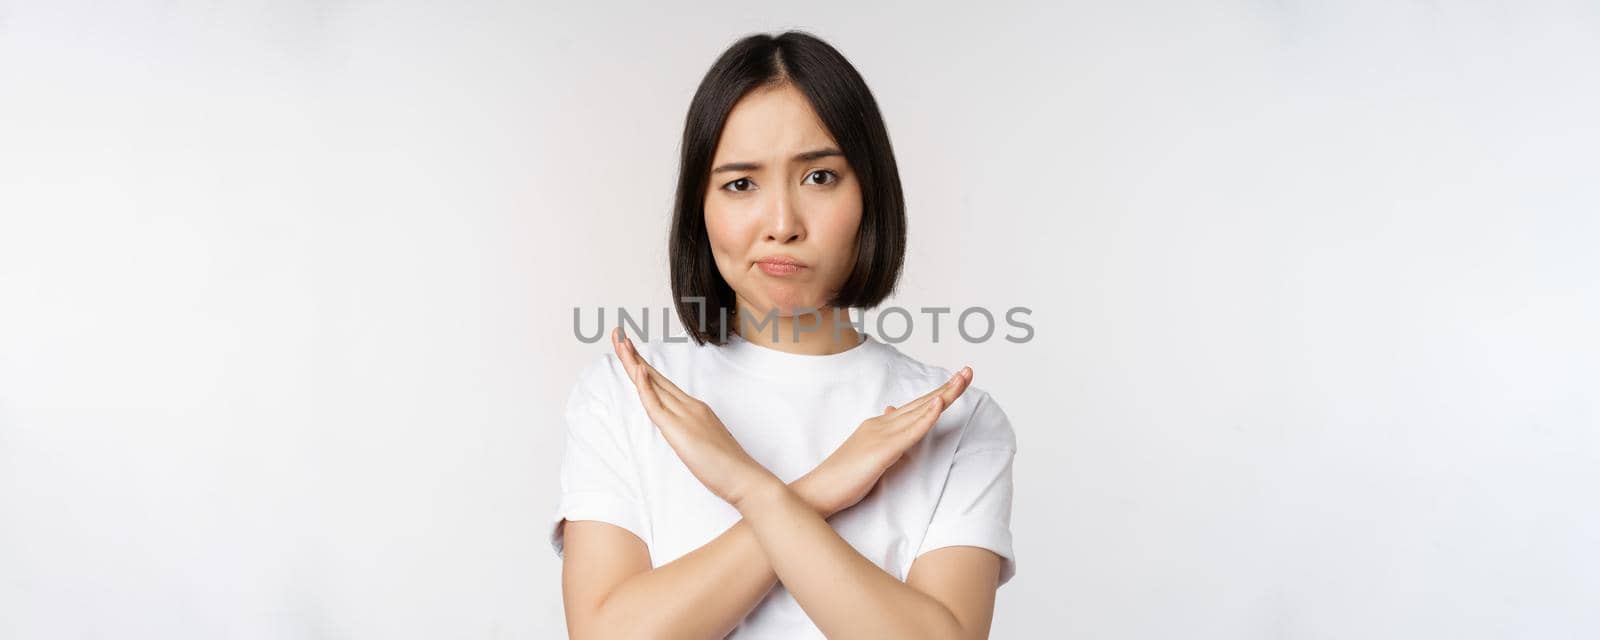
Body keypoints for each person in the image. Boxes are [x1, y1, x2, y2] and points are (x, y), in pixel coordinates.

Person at [549, 30, 1017, 639]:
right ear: (700, 207)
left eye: (819, 177)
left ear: (869, 193)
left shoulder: (955, 419)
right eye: (741, 184)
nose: (782, 224)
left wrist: (752, 489)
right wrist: (816, 491)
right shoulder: (631, 394)